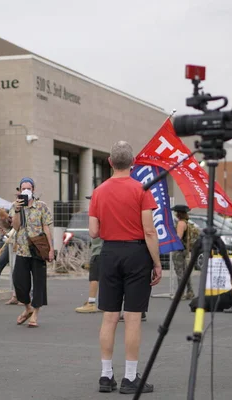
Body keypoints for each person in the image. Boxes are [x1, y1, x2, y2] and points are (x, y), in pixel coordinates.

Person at [89, 141, 162, 394]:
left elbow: (94, 232)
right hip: (136, 253)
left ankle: (105, 375)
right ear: (133, 164)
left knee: (109, 317)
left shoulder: (98, 191)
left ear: (110, 162)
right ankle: (130, 378)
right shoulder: (142, 189)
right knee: (132, 318)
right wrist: (157, 262)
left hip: (109, 253)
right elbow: (150, 231)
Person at [10, 177, 54, 328]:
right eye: (23, 188)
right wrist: (17, 210)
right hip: (22, 250)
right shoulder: (16, 206)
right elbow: (15, 227)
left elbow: (47, 227)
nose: (26, 191)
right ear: (19, 190)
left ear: (33, 190)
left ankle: (35, 314)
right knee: (19, 282)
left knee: (39, 283)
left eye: (29, 188)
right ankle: (27, 308)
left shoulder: (41, 206)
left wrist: (51, 249)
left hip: (38, 249)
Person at [75, 196, 103, 313]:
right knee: (106, 278)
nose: (90, 202)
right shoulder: (105, 211)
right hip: (104, 249)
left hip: (99, 250)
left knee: (94, 277)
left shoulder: (98, 213)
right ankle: (104, 304)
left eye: (92, 200)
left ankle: (91, 303)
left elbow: (93, 232)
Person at [171, 205, 195, 300]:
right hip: (184, 249)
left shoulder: (181, 223)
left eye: (176, 212)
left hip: (179, 250)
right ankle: (190, 291)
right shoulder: (186, 222)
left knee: (180, 273)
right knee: (185, 272)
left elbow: (178, 237)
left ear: (178, 213)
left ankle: (180, 294)